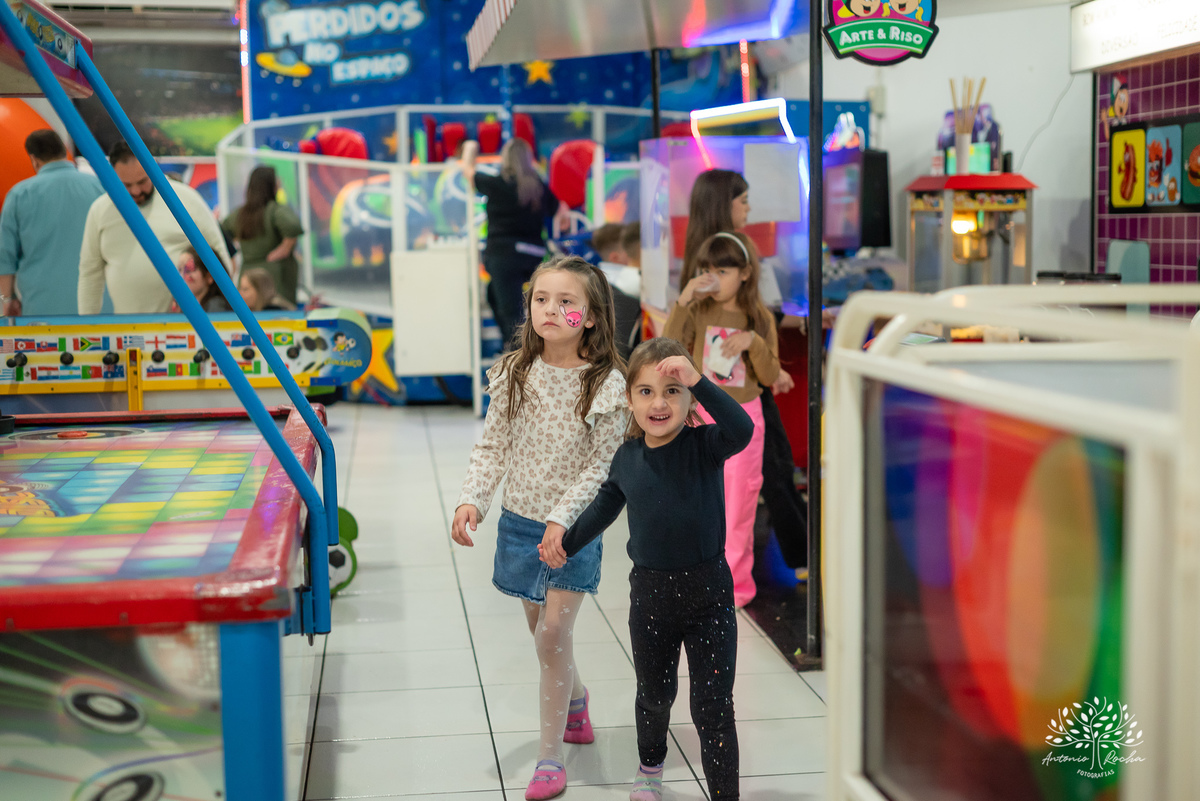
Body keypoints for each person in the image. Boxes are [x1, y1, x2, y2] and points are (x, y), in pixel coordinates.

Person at [540, 338, 750, 801]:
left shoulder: (706, 445)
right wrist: (564, 544)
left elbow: (742, 428)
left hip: (710, 596)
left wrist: (699, 379)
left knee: (713, 707)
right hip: (652, 598)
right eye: (647, 391)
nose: (660, 402)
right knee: (655, 696)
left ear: (690, 399)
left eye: (673, 391)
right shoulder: (626, 459)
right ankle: (650, 767)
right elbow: (600, 511)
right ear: (629, 398)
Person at [451, 256, 627, 799]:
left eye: (567, 302)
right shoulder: (515, 373)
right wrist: (472, 500)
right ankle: (575, 701)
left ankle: (550, 759)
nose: (551, 309)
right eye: (541, 299)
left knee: (553, 634)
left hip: (572, 531)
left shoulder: (606, 384)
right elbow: (493, 445)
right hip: (520, 526)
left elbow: (602, 466)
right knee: (541, 634)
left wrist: (562, 520)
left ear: (592, 317)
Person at [681, 169, 809, 574]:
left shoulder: (706, 256)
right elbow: (754, 314)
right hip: (728, 389)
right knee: (770, 470)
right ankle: (799, 557)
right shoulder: (719, 261)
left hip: (736, 384)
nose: (748, 209)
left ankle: (791, 557)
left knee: (764, 473)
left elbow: (757, 322)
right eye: (743, 201)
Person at [665, 231, 779, 607]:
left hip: (746, 418)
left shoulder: (759, 317)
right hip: (701, 416)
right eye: (706, 270)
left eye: (723, 270)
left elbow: (769, 374)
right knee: (697, 501)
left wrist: (753, 343)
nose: (713, 278)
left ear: (745, 273)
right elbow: (668, 348)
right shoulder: (697, 311)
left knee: (740, 502)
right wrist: (684, 299)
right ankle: (698, 582)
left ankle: (735, 588)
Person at [78, 141, 230, 314]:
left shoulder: (185, 200)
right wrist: (87, 324)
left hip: (187, 326)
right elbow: (90, 275)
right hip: (127, 327)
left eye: (142, 181)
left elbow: (220, 258)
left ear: (154, 169)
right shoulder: (100, 211)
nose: (136, 191)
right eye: (126, 185)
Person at [460, 138, 571, 349]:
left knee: (511, 313)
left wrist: (470, 150)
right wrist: (562, 225)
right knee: (494, 294)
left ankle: (518, 356)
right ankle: (514, 347)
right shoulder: (537, 187)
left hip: (503, 257)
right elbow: (562, 211)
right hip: (533, 257)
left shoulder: (497, 184)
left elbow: (468, 172)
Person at [0, 129, 103, 316]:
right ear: (64, 151)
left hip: (42, 310)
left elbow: (5, 258)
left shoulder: (19, 195)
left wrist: (7, 301)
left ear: (34, 159)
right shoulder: (101, 187)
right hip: (100, 307)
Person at [222, 166, 304, 305]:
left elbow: (222, 232)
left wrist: (232, 258)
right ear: (270, 184)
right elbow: (293, 226)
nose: (280, 182)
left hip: (247, 278)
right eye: (277, 179)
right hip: (274, 279)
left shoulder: (240, 214)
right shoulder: (274, 210)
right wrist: (284, 249)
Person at [170, 247, 230, 312]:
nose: (181, 276)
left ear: (209, 277)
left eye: (188, 270)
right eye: (179, 270)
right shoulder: (185, 305)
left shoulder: (216, 306)